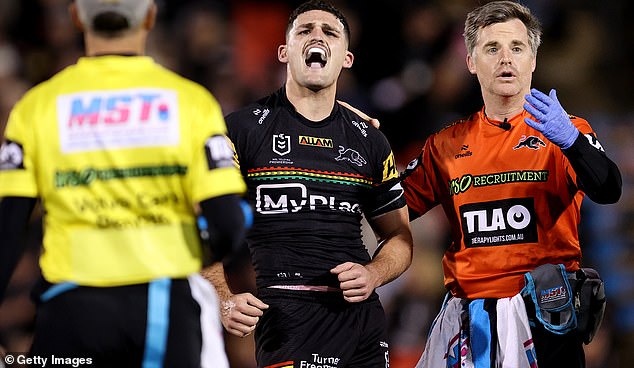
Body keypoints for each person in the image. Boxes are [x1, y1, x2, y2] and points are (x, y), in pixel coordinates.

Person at [0, 1, 249, 367]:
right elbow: (228, 225)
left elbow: (7, 231)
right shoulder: (191, 102)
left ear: (76, 17)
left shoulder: (35, 107)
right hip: (161, 305)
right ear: (150, 16)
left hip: (70, 310)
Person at [399, 1, 622, 367]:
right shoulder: (444, 145)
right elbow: (390, 207)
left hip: (547, 320)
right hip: (471, 325)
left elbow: (609, 189)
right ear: (471, 62)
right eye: (492, 49)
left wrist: (571, 142)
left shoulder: (567, 131)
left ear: (532, 60)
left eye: (517, 48)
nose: (506, 59)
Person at [201, 1, 413, 367]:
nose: (317, 36)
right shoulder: (242, 130)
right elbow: (201, 222)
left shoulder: (370, 140)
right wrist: (221, 296)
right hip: (286, 318)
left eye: (330, 32)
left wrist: (373, 273)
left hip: (362, 322)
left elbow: (400, 237)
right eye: (305, 30)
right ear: (285, 52)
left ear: (346, 58)